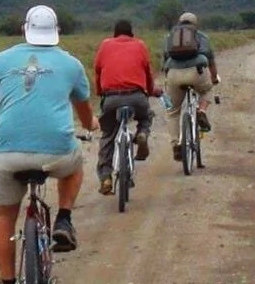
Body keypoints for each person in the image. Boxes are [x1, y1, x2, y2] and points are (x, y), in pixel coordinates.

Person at [0, 5, 96, 284]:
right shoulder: (71, 63)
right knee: (74, 166)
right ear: (57, 32)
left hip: (8, 154)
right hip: (57, 151)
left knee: (3, 216)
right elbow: (84, 113)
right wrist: (91, 125)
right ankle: (64, 219)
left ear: (25, 29)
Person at [92, 19, 158, 195]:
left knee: (108, 135)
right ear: (132, 33)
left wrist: (100, 92)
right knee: (146, 116)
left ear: (114, 33)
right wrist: (150, 91)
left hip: (111, 98)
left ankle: (106, 177)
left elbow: (97, 71)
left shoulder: (105, 45)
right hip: (137, 96)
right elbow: (148, 72)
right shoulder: (140, 45)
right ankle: (142, 133)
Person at [160, 11, 218, 161]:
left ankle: (175, 144)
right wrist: (213, 78)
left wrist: (167, 80)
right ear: (195, 24)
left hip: (173, 74)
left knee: (172, 111)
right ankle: (202, 111)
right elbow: (210, 60)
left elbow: (164, 61)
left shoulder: (169, 37)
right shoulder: (202, 36)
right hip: (196, 72)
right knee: (207, 90)